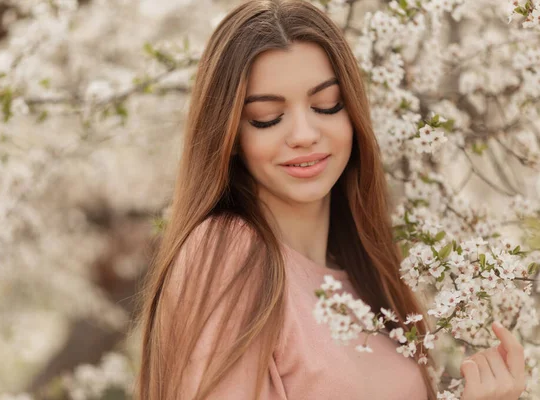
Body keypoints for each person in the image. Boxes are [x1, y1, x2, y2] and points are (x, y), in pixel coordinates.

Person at [134, 1, 527, 399]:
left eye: (327, 105)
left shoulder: (371, 277)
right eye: (267, 117)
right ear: (232, 137)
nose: (304, 133)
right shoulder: (224, 253)